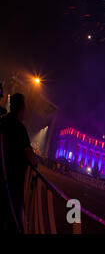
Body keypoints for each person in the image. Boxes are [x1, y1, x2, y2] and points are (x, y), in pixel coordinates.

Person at [0, 93, 37, 233]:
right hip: (12, 184)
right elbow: (31, 157)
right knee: (13, 222)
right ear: (21, 108)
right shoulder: (19, 128)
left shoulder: (2, 122)